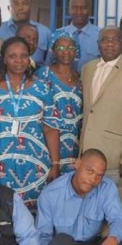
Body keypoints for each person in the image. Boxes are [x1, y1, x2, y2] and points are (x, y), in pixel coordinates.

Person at [0, 36, 61, 214]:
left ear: (29, 58)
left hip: (35, 164)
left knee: (35, 214)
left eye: (23, 56)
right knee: (1, 211)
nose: (19, 60)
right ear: (4, 59)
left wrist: (54, 163)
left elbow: (50, 128)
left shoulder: (43, 88)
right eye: (13, 56)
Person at [80, 26, 122, 186]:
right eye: (105, 39)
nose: (110, 44)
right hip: (87, 154)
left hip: (115, 159)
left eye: (115, 39)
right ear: (98, 44)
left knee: (113, 206)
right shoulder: (87, 69)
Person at [35, 31, 83, 174]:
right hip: (48, 143)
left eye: (70, 48)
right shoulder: (43, 74)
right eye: (60, 48)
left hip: (75, 144)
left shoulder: (80, 77)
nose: (66, 52)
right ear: (53, 51)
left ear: (76, 51)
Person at [0, 0, 51, 66]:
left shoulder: (45, 32)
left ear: (30, 6)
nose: (21, 8)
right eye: (16, 4)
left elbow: (50, 62)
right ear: (9, 8)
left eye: (25, 3)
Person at [53, 0, 101, 72]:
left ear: (89, 10)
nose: (79, 12)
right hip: (62, 83)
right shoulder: (58, 34)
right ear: (69, 9)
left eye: (83, 8)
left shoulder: (100, 35)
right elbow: (50, 63)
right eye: (74, 8)